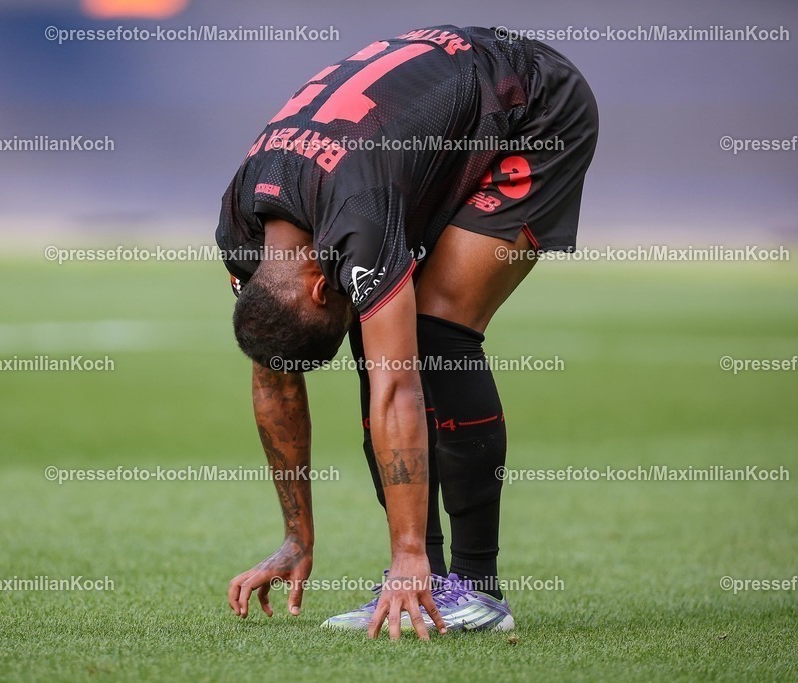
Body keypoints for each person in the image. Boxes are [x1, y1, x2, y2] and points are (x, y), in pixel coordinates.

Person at [216, 24, 597, 640]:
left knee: (432, 331)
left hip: (532, 104)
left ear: (319, 284)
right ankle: (428, 586)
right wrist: (295, 536)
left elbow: (397, 388)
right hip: (431, 108)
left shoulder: (355, 220)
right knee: (387, 331)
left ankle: (473, 589)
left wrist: (406, 553)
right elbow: (272, 370)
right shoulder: (244, 231)